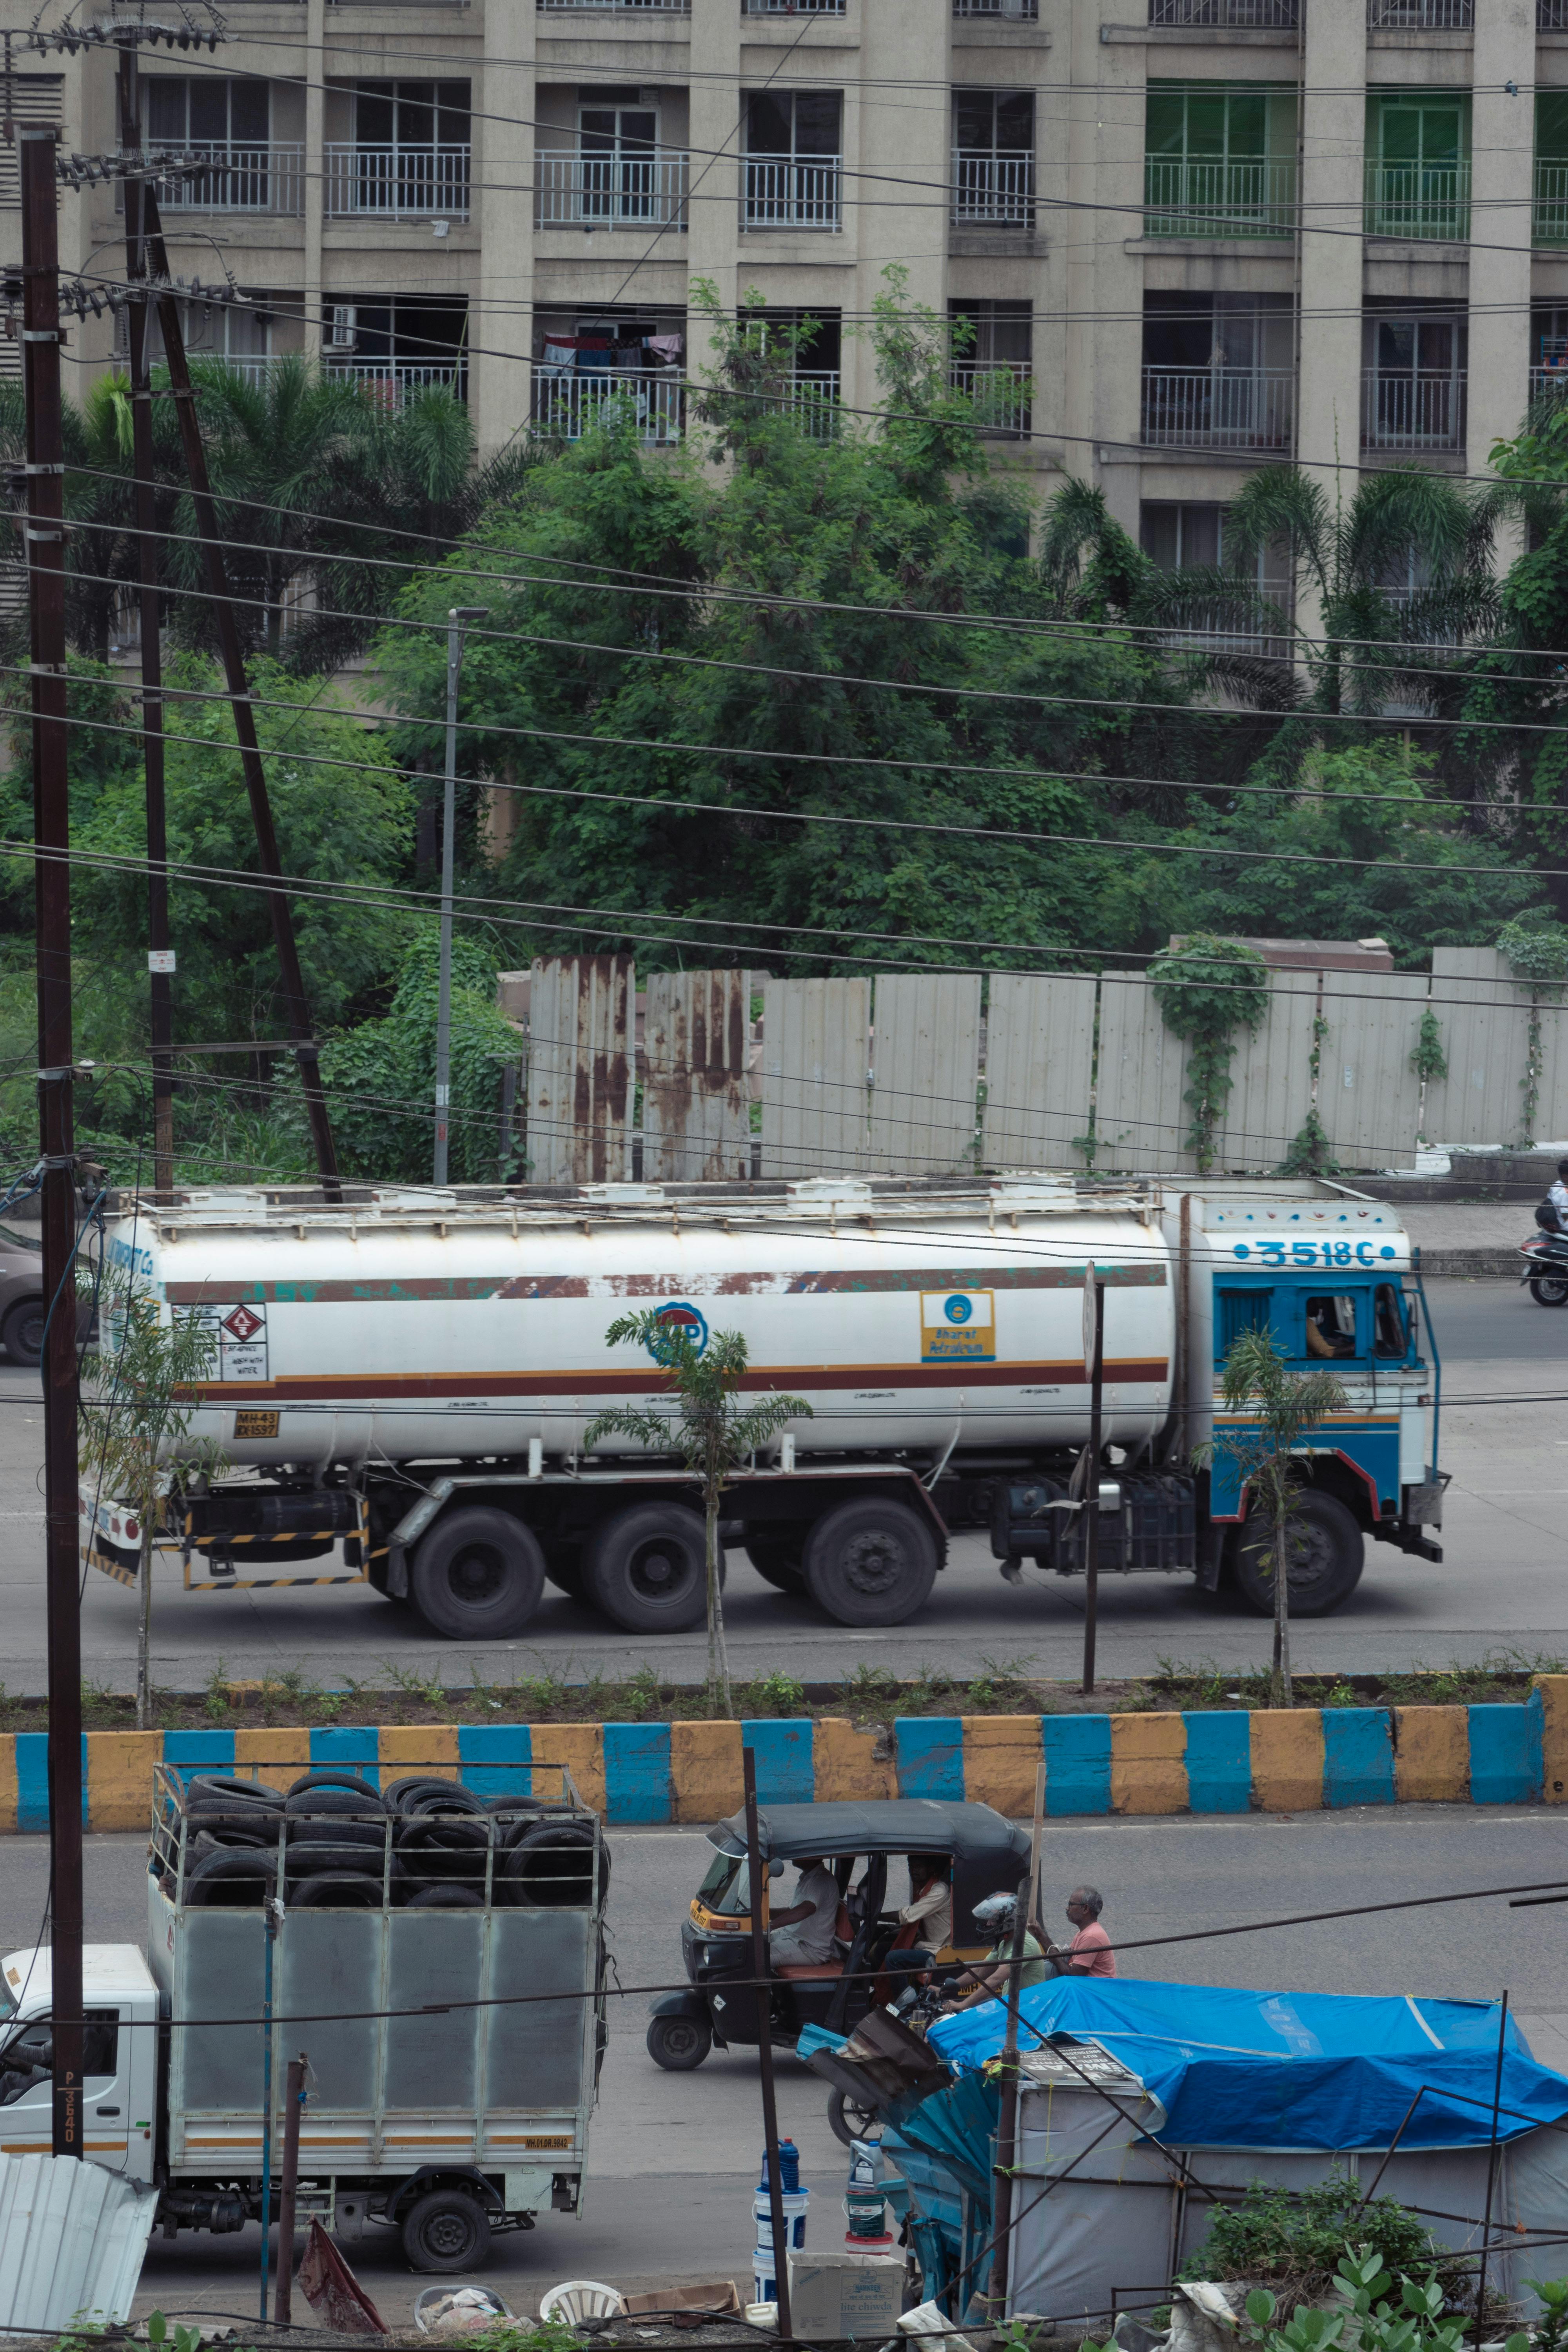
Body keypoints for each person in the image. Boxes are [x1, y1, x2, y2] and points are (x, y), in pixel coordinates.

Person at [944, 1890, 1048, 2009]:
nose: (988, 1924)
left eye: (992, 1920)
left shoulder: (1023, 1945)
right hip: (1012, 2004)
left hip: (1027, 2010)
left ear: (1007, 1922)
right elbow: (980, 1971)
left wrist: (963, 2004)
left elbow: (996, 1981)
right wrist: (950, 1987)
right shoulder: (1004, 1941)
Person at [767, 1855, 840, 1968]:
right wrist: (762, 1913)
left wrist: (770, 1926)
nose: (793, 1856)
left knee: (759, 1958)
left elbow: (806, 1909)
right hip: (792, 1937)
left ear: (812, 1856)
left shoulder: (822, 1880)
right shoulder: (809, 1878)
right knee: (751, 1947)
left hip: (811, 1949)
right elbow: (791, 1911)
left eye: (798, 1853)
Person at [1044, 1885, 1117, 1978]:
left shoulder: (1092, 1936)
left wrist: (1054, 1956)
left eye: (1071, 1904)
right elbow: (1067, 1959)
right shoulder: (1084, 1932)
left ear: (1086, 1909)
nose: (1067, 1908)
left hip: (1095, 1990)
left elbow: (1075, 1975)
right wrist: (1040, 1934)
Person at [1550, 1160, 1568, 1229]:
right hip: (1563, 1223)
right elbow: (1566, 1216)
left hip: (1555, 1217)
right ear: (1565, 1177)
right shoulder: (1565, 1193)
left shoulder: (1557, 1184)